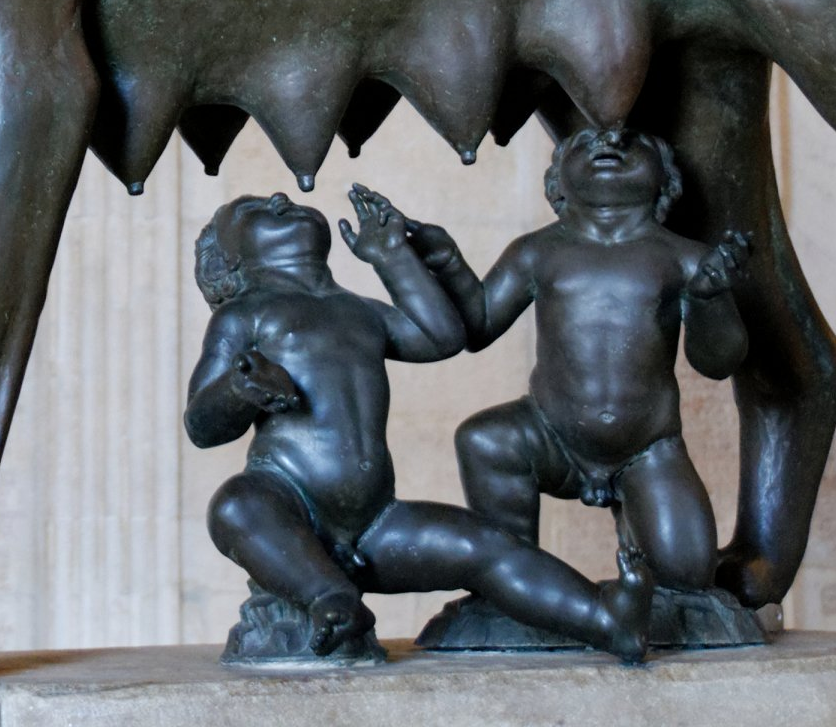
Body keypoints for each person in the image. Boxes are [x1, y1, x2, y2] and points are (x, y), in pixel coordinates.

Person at [186, 188, 656, 662]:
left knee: (487, 545)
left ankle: (607, 619)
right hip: (287, 500)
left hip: (377, 523)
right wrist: (239, 387)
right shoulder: (242, 316)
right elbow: (200, 426)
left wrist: (392, 256)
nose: (281, 198)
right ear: (229, 263)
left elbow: (440, 336)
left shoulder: (360, 311)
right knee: (235, 505)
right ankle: (330, 598)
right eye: (250, 209)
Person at [430, 126, 749, 591]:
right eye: (584, 142)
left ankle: (640, 594)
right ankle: (511, 585)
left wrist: (710, 300)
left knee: (688, 577)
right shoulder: (537, 251)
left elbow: (718, 362)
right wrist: (448, 263)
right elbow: (477, 326)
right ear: (557, 181)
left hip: (647, 447)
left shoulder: (686, 259)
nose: (608, 143)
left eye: (631, 141)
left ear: (667, 180)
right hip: (549, 433)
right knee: (485, 440)